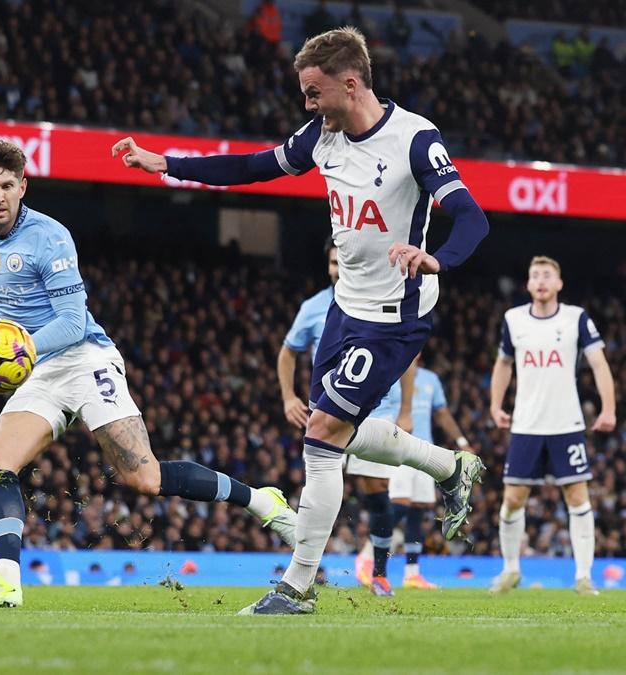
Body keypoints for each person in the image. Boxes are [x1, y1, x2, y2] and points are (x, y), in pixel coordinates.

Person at [113, 26, 489, 614]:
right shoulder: (323, 134)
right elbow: (256, 166)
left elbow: (472, 218)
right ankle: (447, 466)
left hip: (396, 314)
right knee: (329, 432)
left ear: (350, 83)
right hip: (346, 307)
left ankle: (297, 586)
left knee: (322, 438)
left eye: (314, 93)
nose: (307, 106)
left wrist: (435, 257)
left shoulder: (416, 140)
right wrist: (165, 164)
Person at [0, 140, 297, 608]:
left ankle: (261, 502)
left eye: (9, 185)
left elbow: (70, 322)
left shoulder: (50, 237)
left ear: (23, 186)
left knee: (144, 478)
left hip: (84, 357)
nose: (0, 196)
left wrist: (21, 347)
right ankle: (6, 580)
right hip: (36, 371)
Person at [278, 238, 412, 598]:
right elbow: (288, 352)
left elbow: (410, 354)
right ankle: (306, 571)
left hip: (379, 406)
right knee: (318, 483)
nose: (338, 268)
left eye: (343, 261)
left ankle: (380, 574)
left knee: (375, 489)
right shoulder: (314, 307)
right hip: (329, 412)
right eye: (333, 263)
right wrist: (289, 397)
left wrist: (407, 410)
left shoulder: (384, 294)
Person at [489, 256, 615, 596]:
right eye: (535, 275)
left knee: (577, 496)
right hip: (527, 423)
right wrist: (495, 405)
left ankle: (584, 577)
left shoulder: (576, 318)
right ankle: (511, 570)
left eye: (547, 275)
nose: (541, 280)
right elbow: (503, 364)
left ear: (559, 284)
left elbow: (599, 364)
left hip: (566, 422)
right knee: (512, 499)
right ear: (528, 285)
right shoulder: (513, 320)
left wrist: (608, 408)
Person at [373, 355, 473, 590]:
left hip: (425, 450)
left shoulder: (430, 379)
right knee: (400, 503)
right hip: (397, 447)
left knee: (418, 508)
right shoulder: (389, 370)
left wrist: (461, 440)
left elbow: (442, 413)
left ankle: (412, 573)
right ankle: (369, 554)